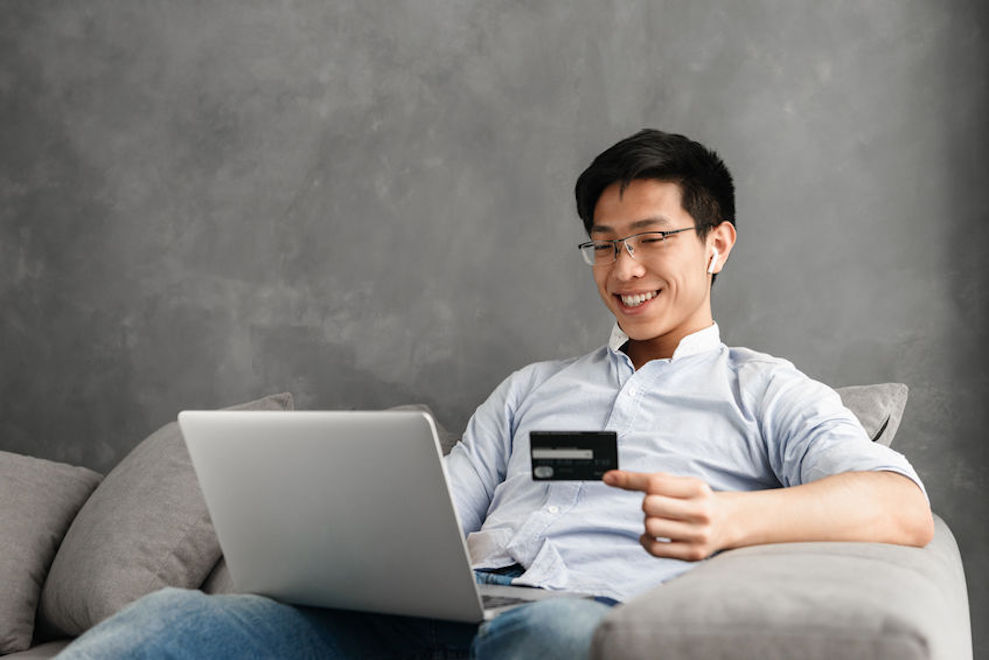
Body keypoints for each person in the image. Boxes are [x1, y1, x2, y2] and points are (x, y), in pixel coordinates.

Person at [58, 129, 933, 659]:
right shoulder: (531, 392)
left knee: (549, 642)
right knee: (176, 622)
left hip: (577, 625)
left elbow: (898, 508)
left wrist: (732, 520)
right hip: (426, 617)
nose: (623, 270)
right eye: (601, 245)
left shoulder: (762, 391)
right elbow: (436, 510)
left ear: (716, 244)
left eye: (650, 238)